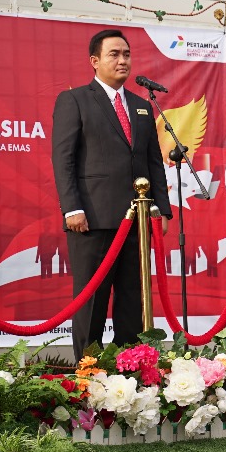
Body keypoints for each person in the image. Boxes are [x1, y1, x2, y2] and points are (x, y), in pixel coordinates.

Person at [52, 29, 170, 361]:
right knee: (92, 300)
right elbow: (64, 159)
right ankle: (88, 370)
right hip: (92, 220)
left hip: (136, 221)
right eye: (114, 54)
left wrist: (160, 208)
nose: (122, 60)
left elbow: (152, 161)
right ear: (95, 61)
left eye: (127, 54)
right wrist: (71, 207)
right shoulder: (74, 100)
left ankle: (129, 368)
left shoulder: (141, 105)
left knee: (133, 299)